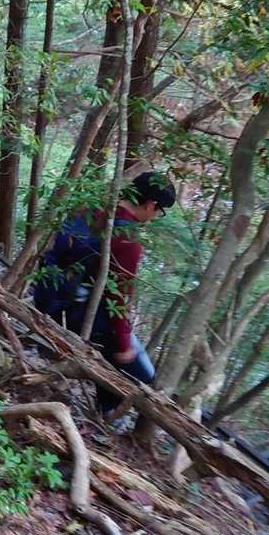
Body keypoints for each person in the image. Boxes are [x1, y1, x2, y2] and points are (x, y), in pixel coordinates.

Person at [31, 170, 176, 416]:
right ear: (151, 204)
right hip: (83, 315)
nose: (155, 217)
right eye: (159, 212)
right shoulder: (128, 240)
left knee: (114, 356)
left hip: (52, 300)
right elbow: (117, 297)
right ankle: (105, 416)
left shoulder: (90, 207)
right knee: (143, 375)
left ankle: (102, 408)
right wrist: (123, 343)